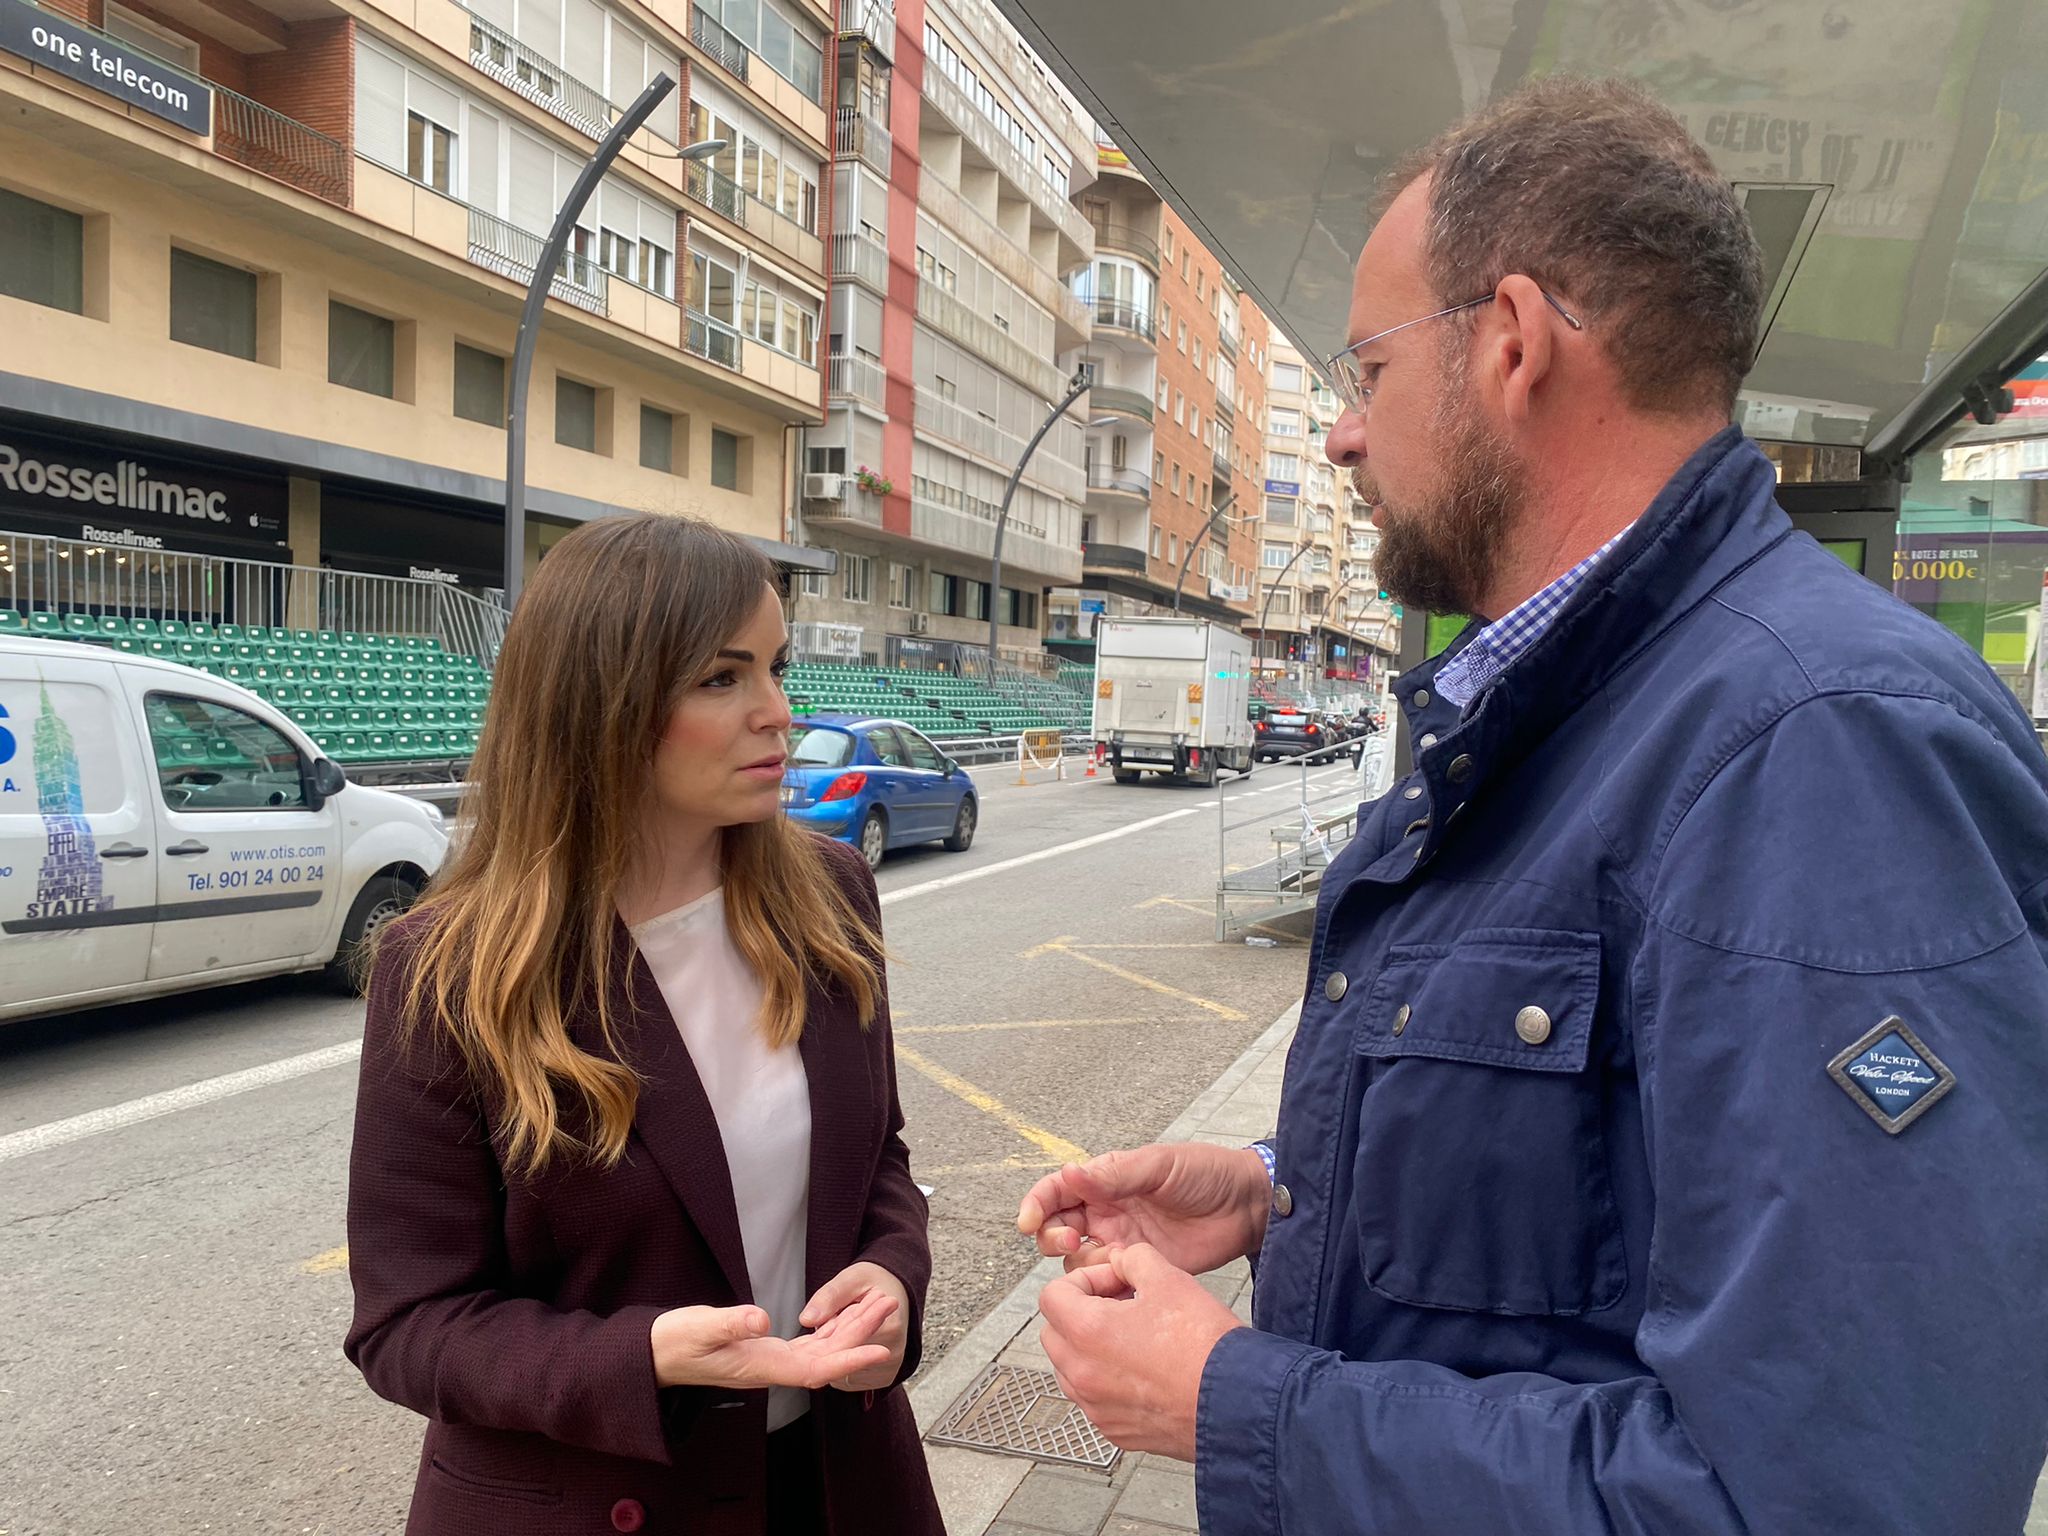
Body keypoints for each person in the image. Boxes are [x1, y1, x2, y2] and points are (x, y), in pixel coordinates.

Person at [1020, 76, 2048, 1534]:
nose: (1342, 438)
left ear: (1509, 342)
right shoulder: (1589, 707)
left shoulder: (1820, 747)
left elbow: (1840, 1494)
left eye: (1365, 371)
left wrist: (1239, 1403)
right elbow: (1604, 1203)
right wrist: (1280, 1188)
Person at [345, 514, 942, 1536]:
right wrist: (644, 1357)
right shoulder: (447, 971)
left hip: (841, 1486)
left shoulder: (832, 897)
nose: (777, 713)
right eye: (722, 678)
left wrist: (891, 1275)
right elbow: (408, 1326)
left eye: (775, 668)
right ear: (601, 705)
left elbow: (876, 1160)